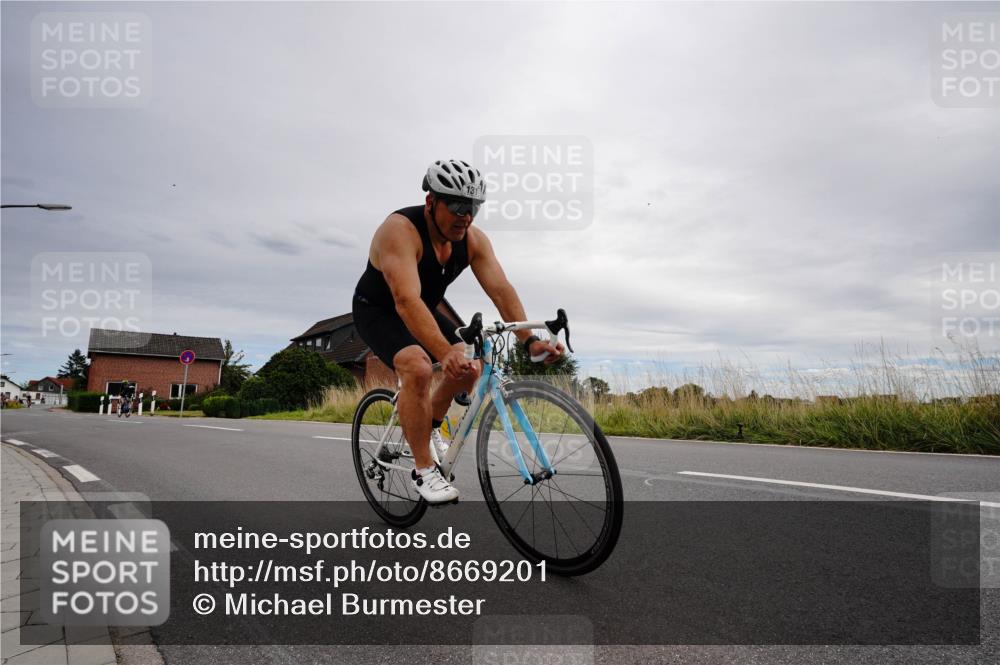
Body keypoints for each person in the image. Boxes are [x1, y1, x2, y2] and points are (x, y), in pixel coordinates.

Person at [353, 159, 564, 504]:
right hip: (379, 309)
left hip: (424, 307)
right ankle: (423, 471)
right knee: (418, 367)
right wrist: (442, 352)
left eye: (473, 208)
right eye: (456, 205)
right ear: (431, 202)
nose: (465, 215)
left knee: (472, 366)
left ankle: (429, 425)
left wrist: (529, 341)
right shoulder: (399, 231)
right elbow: (405, 301)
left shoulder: (473, 241)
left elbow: (501, 290)